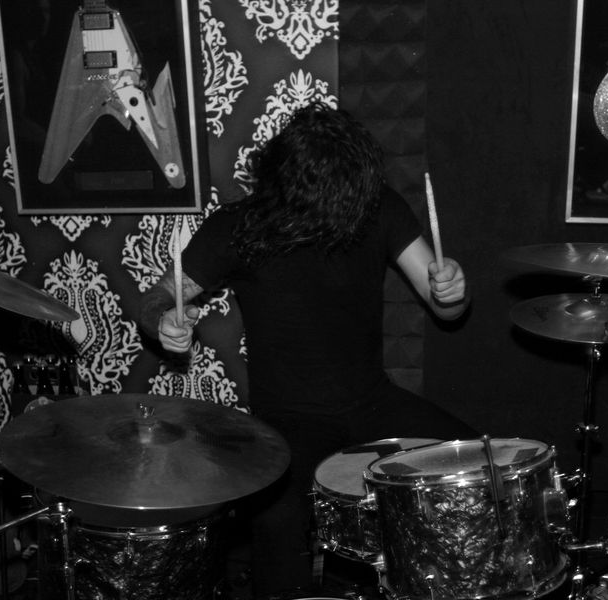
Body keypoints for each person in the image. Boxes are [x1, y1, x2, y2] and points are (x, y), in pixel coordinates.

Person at [139, 102, 477, 598]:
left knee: (480, 472)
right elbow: (159, 297)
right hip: (287, 423)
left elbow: (445, 305)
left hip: (374, 404)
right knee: (278, 537)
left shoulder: (376, 206)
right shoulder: (238, 225)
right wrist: (163, 321)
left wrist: (453, 292)